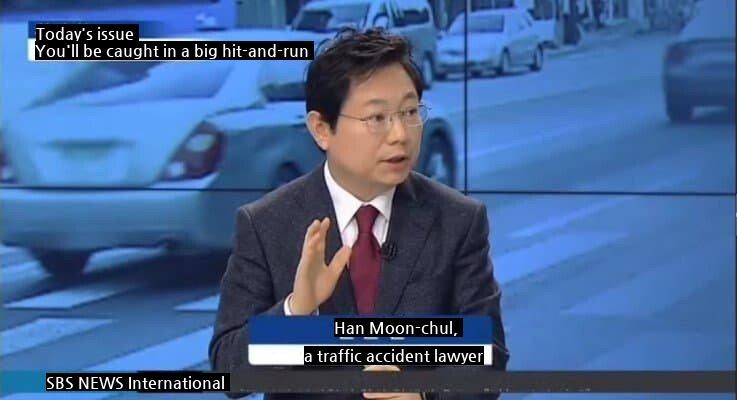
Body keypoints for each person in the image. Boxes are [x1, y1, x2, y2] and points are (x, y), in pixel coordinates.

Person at [209, 27, 509, 400]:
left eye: (410, 112)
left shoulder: (458, 220)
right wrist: (296, 311)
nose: (400, 135)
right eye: (376, 118)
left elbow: (488, 355)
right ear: (322, 129)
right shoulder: (267, 223)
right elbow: (229, 370)